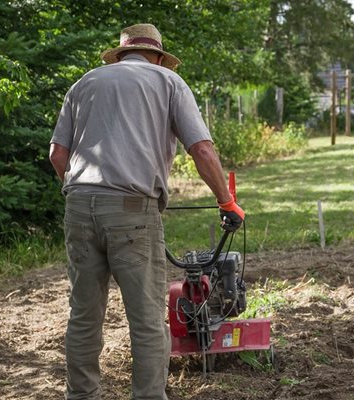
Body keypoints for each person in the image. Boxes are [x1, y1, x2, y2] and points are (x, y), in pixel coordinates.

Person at [48, 23, 244, 400]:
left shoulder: (85, 83)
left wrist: (82, 195)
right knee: (148, 322)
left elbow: (58, 154)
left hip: (78, 205)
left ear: (121, 54)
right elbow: (201, 150)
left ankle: (81, 395)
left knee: (84, 316)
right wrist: (226, 201)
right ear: (158, 56)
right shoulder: (168, 82)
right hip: (132, 210)